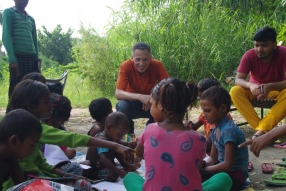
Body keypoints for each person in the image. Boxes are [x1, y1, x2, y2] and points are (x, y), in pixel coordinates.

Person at [3, 79, 134, 190]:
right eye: (47, 101)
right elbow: (72, 138)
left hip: (36, 176)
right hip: (31, 179)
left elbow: (40, 163)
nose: (51, 105)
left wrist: (64, 175)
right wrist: (115, 146)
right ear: (31, 106)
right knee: (81, 184)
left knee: (78, 178)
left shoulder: (33, 129)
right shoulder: (27, 130)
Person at [123, 78, 232, 191]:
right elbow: (195, 168)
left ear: (160, 105)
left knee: (130, 177)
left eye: (152, 104)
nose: (150, 109)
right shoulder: (198, 139)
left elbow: (139, 153)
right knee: (224, 178)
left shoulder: (150, 130)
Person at [230, 26, 286, 140]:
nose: (259, 49)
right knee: (235, 91)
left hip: (277, 89)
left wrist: (270, 87)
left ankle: (261, 132)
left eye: (264, 45)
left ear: (274, 45)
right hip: (255, 90)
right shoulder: (249, 55)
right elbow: (238, 80)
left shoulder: (283, 53)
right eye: (256, 45)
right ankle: (262, 132)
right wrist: (251, 85)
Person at [199, 86, 249, 191]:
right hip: (221, 171)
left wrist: (206, 169)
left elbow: (228, 165)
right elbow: (213, 158)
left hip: (234, 177)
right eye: (203, 111)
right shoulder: (216, 130)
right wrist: (201, 166)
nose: (204, 115)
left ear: (222, 108)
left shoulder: (228, 130)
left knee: (220, 179)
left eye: (207, 110)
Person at [115, 42, 169, 135]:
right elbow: (118, 93)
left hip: (151, 103)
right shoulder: (126, 66)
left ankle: (151, 133)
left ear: (150, 57)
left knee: (166, 106)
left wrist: (152, 98)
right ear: (132, 58)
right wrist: (141, 97)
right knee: (122, 105)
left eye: (145, 59)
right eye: (137, 59)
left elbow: (168, 88)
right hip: (131, 103)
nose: (141, 63)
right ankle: (128, 135)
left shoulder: (157, 65)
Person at [2, 0, 40, 106]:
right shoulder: (8, 12)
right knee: (16, 91)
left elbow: (34, 41)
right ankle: (11, 118)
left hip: (31, 58)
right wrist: (12, 59)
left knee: (31, 91)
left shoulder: (31, 19)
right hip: (18, 57)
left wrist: (37, 61)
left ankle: (27, 119)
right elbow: (6, 36)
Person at [86, 112, 140, 181]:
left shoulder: (111, 137)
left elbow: (118, 143)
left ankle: (126, 165)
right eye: (119, 134)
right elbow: (103, 159)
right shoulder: (103, 140)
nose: (121, 137)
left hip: (104, 166)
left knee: (118, 148)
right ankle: (92, 174)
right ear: (109, 127)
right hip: (96, 168)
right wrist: (119, 172)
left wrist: (127, 144)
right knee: (113, 175)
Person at [187, 78, 233, 154]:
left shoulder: (219, 117)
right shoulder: (207, 113)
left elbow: (209, 144)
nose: (201, 100)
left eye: (203, 96)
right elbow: (194, 127)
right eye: (200, 96)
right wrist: (189, 126)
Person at [0, 109, 42, 191]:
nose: (33, 150)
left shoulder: (10, 158)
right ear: (15, 141)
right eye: (32, 145)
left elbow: (23, 186)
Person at [44, 93, 76, 159]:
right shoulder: (37, 132)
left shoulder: (60, 131)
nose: (56, 127)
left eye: (60, 124)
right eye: (54, 123)